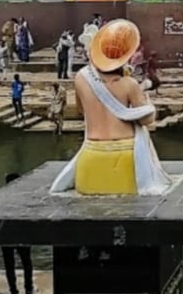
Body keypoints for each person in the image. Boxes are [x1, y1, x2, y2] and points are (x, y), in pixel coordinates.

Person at [50, 19, 170, 196]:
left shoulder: (81, 78)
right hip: (125, 161)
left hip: (90, 158)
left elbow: (81, 110)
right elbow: (146, 120)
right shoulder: (129, 84)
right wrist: (145, 98)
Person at [1, 173, 34, 294]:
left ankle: (14, 292)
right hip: (22, 235)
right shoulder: (24, 197)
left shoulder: (1, 198)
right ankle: (29, 289)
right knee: (27, 262)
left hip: (6, 236)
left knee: (9, 265)